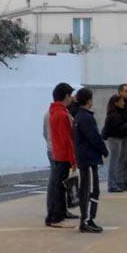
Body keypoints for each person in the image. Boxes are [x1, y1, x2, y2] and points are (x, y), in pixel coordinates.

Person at [72, 87, 108, 233]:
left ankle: (87, 219)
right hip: (89, 158)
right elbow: (94, 137)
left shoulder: (78, 116)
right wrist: (104, 150)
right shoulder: (86, 117)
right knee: (91, 190)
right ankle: (87, 220)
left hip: (84, 157)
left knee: (88, 188)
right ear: (89, 100)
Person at [45, 82, 77, 227]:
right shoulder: (61, 114)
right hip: (62, 155)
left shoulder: (54, 112)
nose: (71, 98)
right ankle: (56, 217)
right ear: (66, 96)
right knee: (59, 187)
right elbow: (67, 139)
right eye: (70, 95)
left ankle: (57, 215)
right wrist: (73, 159)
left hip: (58, 153)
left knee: (58, 186)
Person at [102, 92, 127, 192]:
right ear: (116, 103)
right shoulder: (114, 115)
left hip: (118, 138)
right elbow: (118, 127)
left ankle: (117, 182)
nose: (123, 103)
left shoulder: (118, 113)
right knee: (115, 162)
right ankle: (113, 184)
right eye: (121, 101)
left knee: (119, 161)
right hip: (115, 139)